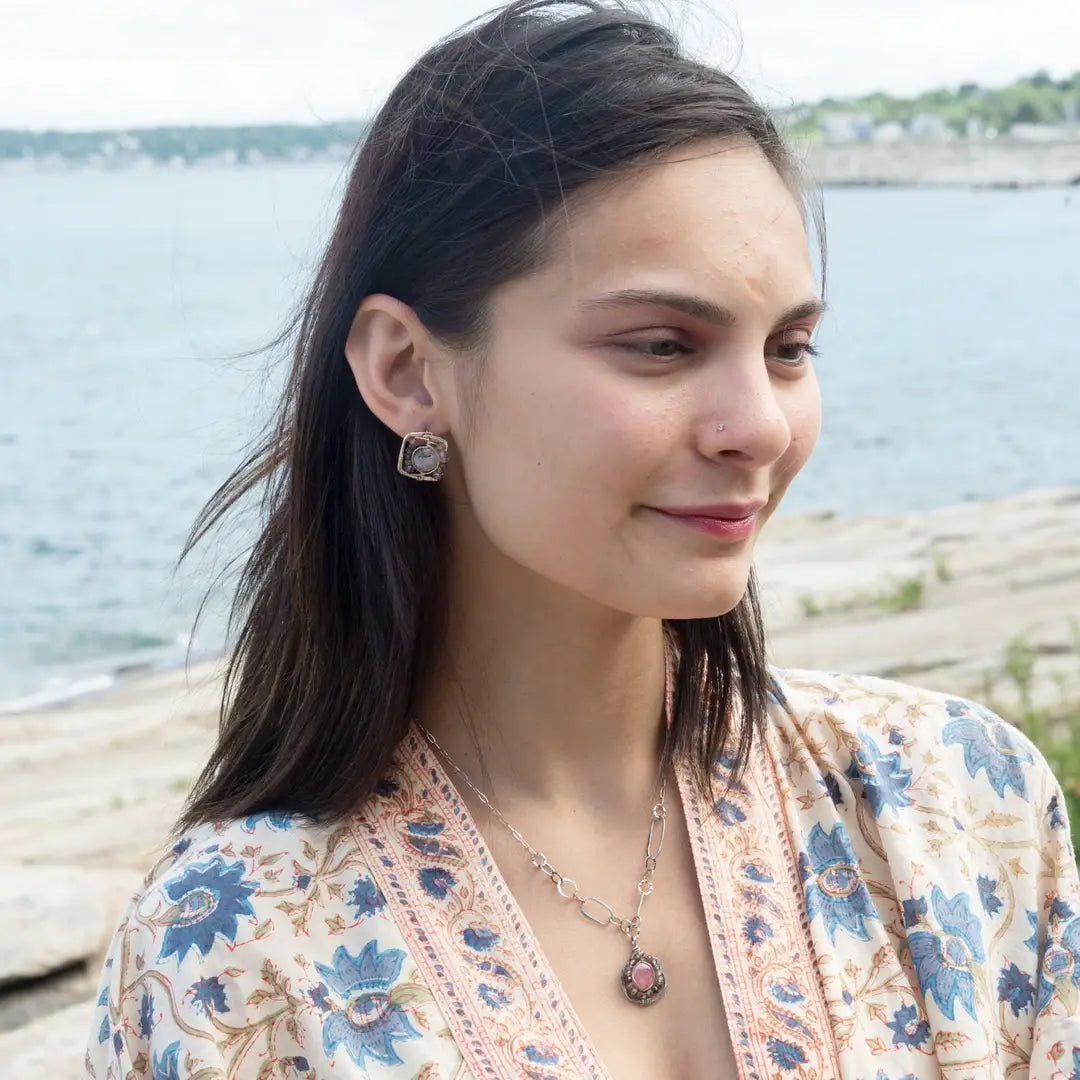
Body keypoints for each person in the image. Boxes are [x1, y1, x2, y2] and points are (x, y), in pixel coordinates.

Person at [85, 2, 1080, 1077]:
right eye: (660, 345)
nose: (760, 424)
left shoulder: (955, 805)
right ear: (409, 373)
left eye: (791, 347)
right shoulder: (230, 947)